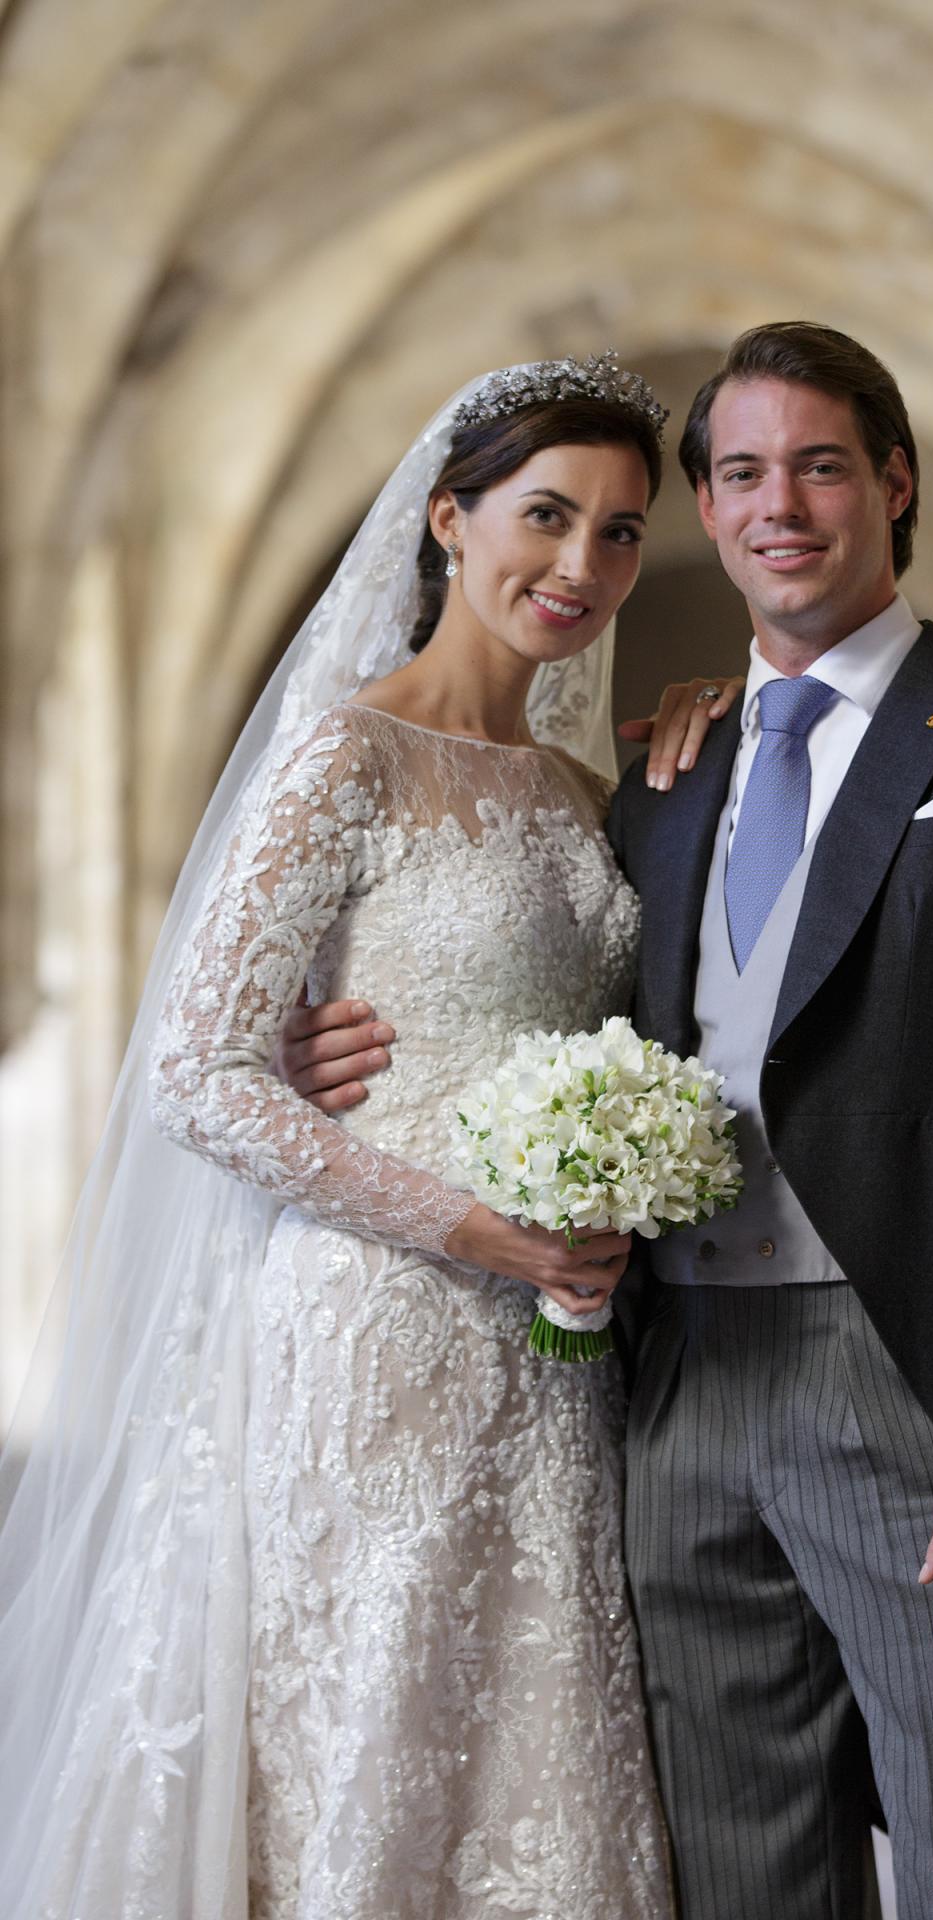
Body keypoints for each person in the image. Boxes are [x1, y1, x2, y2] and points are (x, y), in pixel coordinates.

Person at [290, 322, 933, 1920]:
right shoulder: (664, 776)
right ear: (707, 505)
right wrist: (310, 1029)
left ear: (893, 485)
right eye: (742, 473)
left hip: (906, 1393)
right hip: (676, 1392)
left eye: (822, 464)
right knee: (744, 1878)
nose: (783, 506)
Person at [0, 353, 741, 1920]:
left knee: (535, 1740)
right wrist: (477, 1230)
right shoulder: (345, 755)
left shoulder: (576, 785)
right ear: (448, 521)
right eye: (547, 516)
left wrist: (713, 728)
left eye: (620, 533)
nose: (583, 566)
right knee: (374, 1732)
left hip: (555, 1356)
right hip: (378, 1329)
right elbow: (201, 1072)